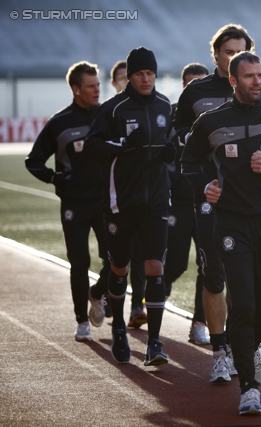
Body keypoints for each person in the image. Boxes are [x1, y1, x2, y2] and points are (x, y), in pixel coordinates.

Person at [181, 51, 261, 415]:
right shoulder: (210, 122)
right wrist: (206, 186)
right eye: (249, 76)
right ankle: (249, 388)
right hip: (232, 223)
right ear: (233, 81)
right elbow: (189, 163)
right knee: (244, 303)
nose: (257, 82)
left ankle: (247, 347)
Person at [173, 24, 261, 379]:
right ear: (215, 54)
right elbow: (179, 141)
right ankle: (220, 350)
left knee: (248, 282)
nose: (235, 56)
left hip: (254, 202)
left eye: (242, 50)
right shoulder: (195, 93)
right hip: (211, 199)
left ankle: (244, 346)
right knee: (213, 273)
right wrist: (204, 182)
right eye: (228, 51)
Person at [85, 47, 175, 366]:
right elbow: (92, 147)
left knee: (155, 266)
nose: (146, 78)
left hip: (156, 201)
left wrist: (172, 151)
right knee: (119, 266)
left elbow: (172, 141)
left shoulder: (165, 105)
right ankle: (120, 328)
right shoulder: (113, 109)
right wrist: (121, 145)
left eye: (150, 73)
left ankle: (154, 342)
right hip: (120, 201)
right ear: (131, 76)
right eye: (140, 74)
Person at [25, 61, 110, 341]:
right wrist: (55, 179)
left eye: (98, 85)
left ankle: (98, 295)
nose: (97, 90)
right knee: (79, 262)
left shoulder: (109, 115)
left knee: (116, 259)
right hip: (74, 204)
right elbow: (34, 161)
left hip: (106, 202)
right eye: (90, 86)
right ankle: (81, 321)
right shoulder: (59, 123)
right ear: (76, 89)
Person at [165, 62, 210, 345]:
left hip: (208, 200)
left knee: (208, 266)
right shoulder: (169, 117)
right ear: (183, 89)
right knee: (176, 264)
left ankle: (199, 323)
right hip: (178, 201)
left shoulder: (217, 117)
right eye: (192, 85)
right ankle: (153, 296)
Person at [110, 59, 148, 329]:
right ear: (116, 83)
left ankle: (137, 306)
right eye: (125, 78)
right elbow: (95, 149)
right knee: (113, 260)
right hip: (113, 199)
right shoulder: (110, 112)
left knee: (141, 254)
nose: (132, 81)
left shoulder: (152, 108)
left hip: (146, 197)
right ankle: (103, 292)